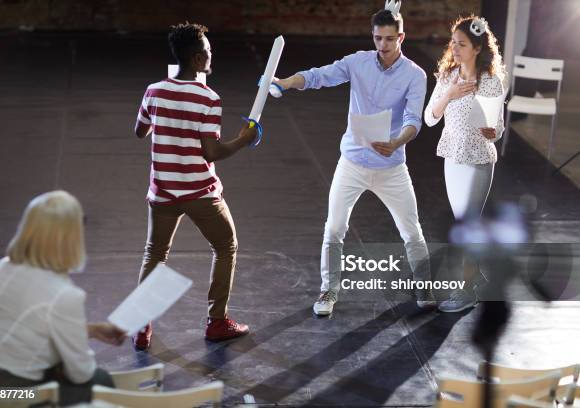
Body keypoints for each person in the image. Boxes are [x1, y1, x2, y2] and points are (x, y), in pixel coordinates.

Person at [274, 1, 435, 316]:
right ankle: (328, 291)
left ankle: (424, 285)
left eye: (390, 39)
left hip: (391, 167)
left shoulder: (415, 75)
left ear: (401, 38)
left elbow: (414, 120)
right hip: (352, 164)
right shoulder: (358, 62)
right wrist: (286, 82)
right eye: (378, 39)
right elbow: (319, 76)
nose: (383, 45)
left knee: (411, 230)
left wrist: (397, 141)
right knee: (334, 228)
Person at [132, 22, 257, 349]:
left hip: (162, 191)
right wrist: (243, 140)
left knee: (154, 255)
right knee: (226, 246)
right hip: (201, 193)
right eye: (209, 51)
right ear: (199, 58)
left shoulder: (154, 90)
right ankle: (216, 322)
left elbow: (140, 131)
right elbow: (211, 151)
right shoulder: (208, 98)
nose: (211, 55)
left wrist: (166, 118)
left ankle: (142, 327)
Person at [0, 191, 126, 406]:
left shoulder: (4, 267)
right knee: (100, 380)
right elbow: (81, 373)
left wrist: (90, 330)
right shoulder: (65, 294)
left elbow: (24, 327)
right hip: (10, 394)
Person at [424, 16, 506, 312]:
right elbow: (430, 118)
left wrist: (492, 132)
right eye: (453, 43)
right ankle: (478, 277)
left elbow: (498, 128)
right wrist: (448, 94)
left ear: (476, 48)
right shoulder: (447, 77)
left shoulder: (490, 81)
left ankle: (467, 289)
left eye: (461, 44)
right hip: (453, 157)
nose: (454, 49)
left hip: (480, 159)